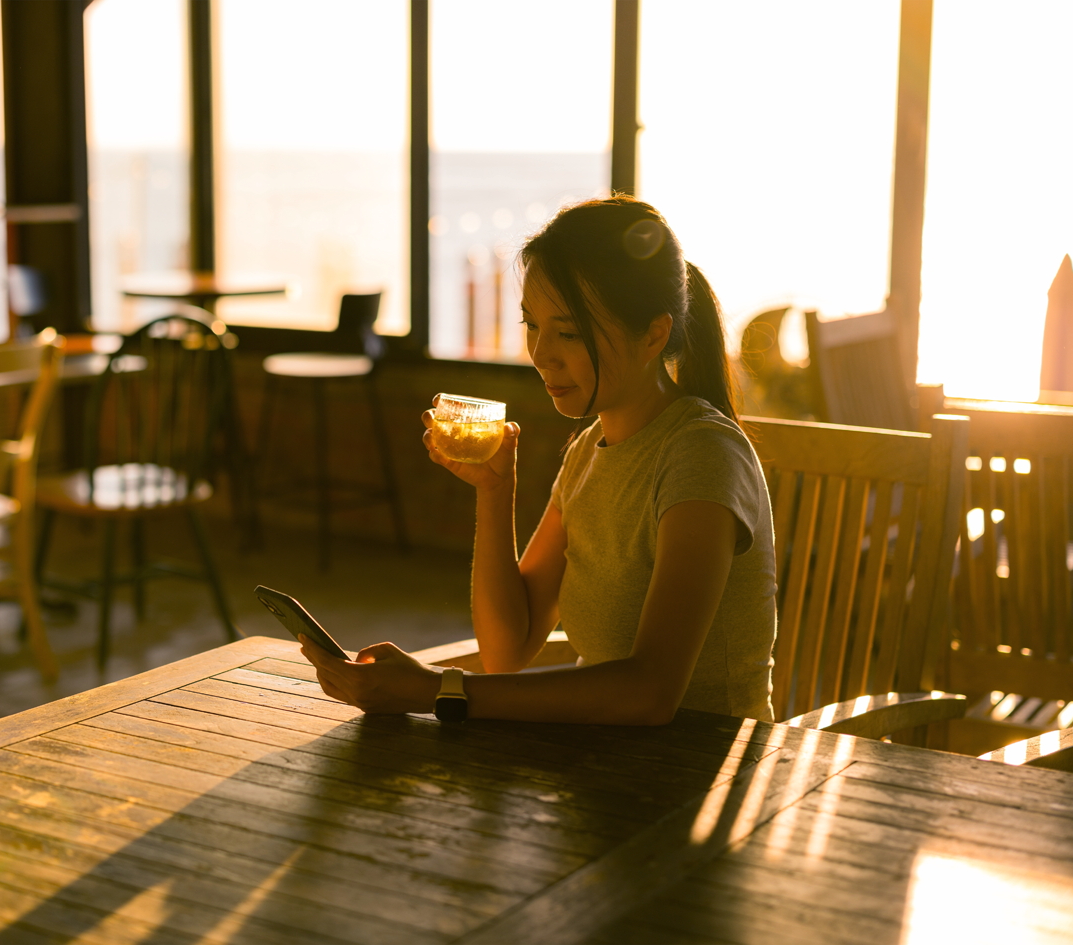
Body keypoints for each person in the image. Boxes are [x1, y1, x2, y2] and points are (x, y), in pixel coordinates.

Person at [301, 196, 777, 725]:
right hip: (603, 765)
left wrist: (437, 690)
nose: (541, 353)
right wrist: (493, 488)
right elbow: (509, 649)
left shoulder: (702, 454)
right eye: (532, 326)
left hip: (707, 778)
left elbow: (650, 692)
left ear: (653, 335)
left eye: (569, 332)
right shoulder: (589, 450)